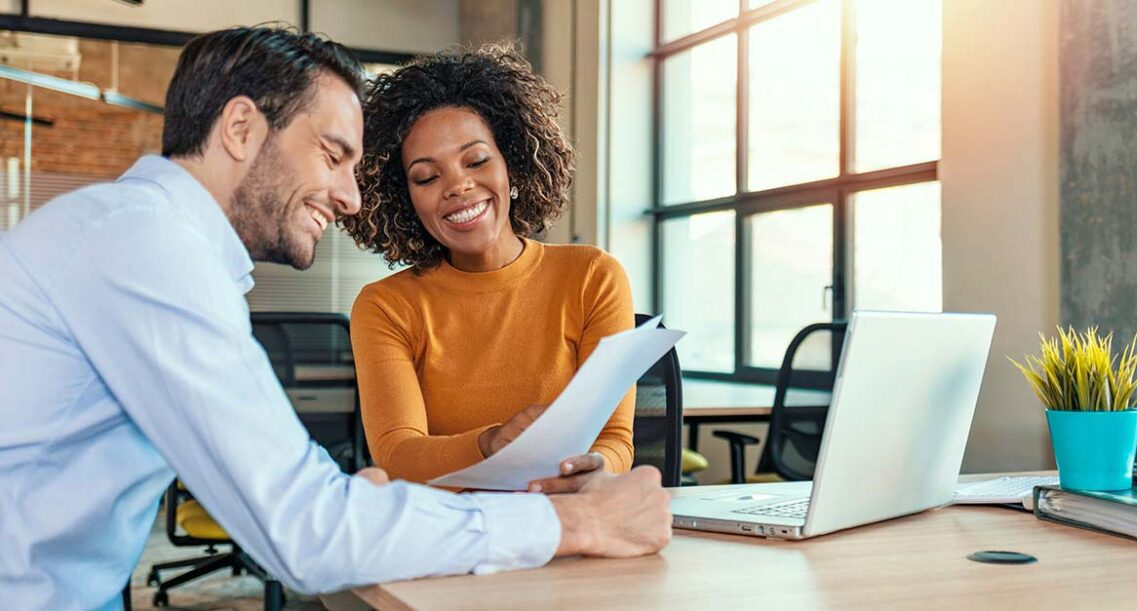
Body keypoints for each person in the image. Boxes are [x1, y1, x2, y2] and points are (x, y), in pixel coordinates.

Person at [0, 27, 670, 609]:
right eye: (332, 154)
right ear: (240, 129)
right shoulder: (146, 248)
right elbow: (305, 530)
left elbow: (306, 511)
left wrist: (359, 508)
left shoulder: (148, 241)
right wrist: (575, 525)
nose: (352, 197)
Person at [343, 46, 634, 494]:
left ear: (512, 166)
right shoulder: (385, 306)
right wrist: (489, 443)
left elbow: (614, 440)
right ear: (405, 199)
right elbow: (398, 453)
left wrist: (596, 469)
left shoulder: (593, 277)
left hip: (566, 519)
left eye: (476, 161)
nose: (457, 186)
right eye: (426, 177)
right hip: (448, 531)